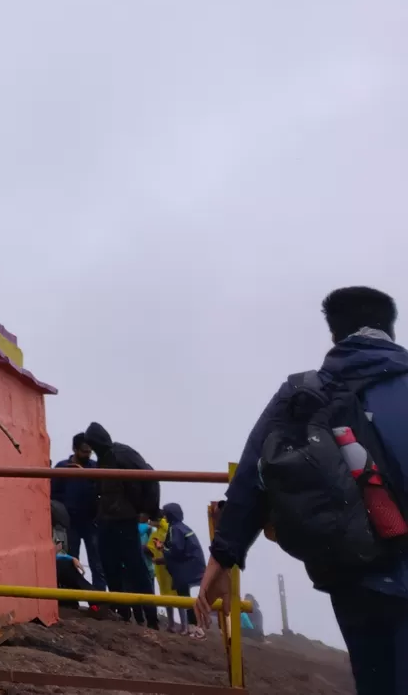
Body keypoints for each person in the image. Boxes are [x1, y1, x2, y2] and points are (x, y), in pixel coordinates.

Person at [196, 287, 408, 694]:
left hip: (352, 565)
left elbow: (254, 473)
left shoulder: (302, 395)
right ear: (391, 330)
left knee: (374, 677)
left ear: (334, 335)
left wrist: (222, 559)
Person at [83, 422, 161, 629]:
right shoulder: (102, 460)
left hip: (125, 521)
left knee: (137, 570)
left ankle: (151, 618)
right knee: (110, 567)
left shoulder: (122, 454)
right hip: (107, 522)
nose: (91, 448)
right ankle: (123, 614)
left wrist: (148, 510)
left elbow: (150, 477)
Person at [51, 434, 102, 586]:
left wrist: (87, 476)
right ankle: (73, 601)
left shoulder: (95, 467)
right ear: (74, 449)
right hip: (70, 524)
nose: (87, 455)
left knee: (97, 564)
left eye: (89, 452)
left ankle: (100, 602)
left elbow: (102, 489)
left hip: (92, 523)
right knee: (71, 561)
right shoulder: (62, 468)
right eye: (84, 451)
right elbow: (53, 494)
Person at [159, 503, 205, 638]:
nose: (164, 516)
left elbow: (176, 551)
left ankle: (194, 628)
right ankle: (193, 627)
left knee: (183, 595)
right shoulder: (182, 527)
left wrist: (162, 549)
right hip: (194, 565)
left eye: (165, 513)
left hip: (187, 568)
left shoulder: (175, 529)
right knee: (184, 595)